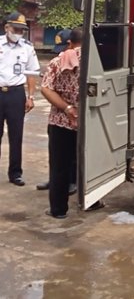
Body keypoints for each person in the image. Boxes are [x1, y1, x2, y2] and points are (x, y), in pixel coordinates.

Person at [41, 28, 82, 218]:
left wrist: (67, 108)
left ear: (70, 43)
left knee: (59, 166)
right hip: (90, 122)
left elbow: (46, 89)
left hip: (60, 122)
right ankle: (92, 199)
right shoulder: (96, 63)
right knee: (89, 164)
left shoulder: (58, 62)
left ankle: (58, 210)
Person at [0, 12, 40, 186]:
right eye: (16, 29)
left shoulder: (27, 47)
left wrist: (30, 96)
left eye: (22, 30)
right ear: (6, 27)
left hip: (16, 94)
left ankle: (15, 173)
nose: (19, 33)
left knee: (16, 135)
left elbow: (31, 73)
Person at [36, 29, 77, 195]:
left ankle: (72, 181)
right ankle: (56, 181)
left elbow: (46, 89)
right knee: (57, 154)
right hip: (57, 118)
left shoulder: (85, 61)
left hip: (73, 117)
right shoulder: (57, 62)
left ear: (70, 43)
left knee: (73, 154)